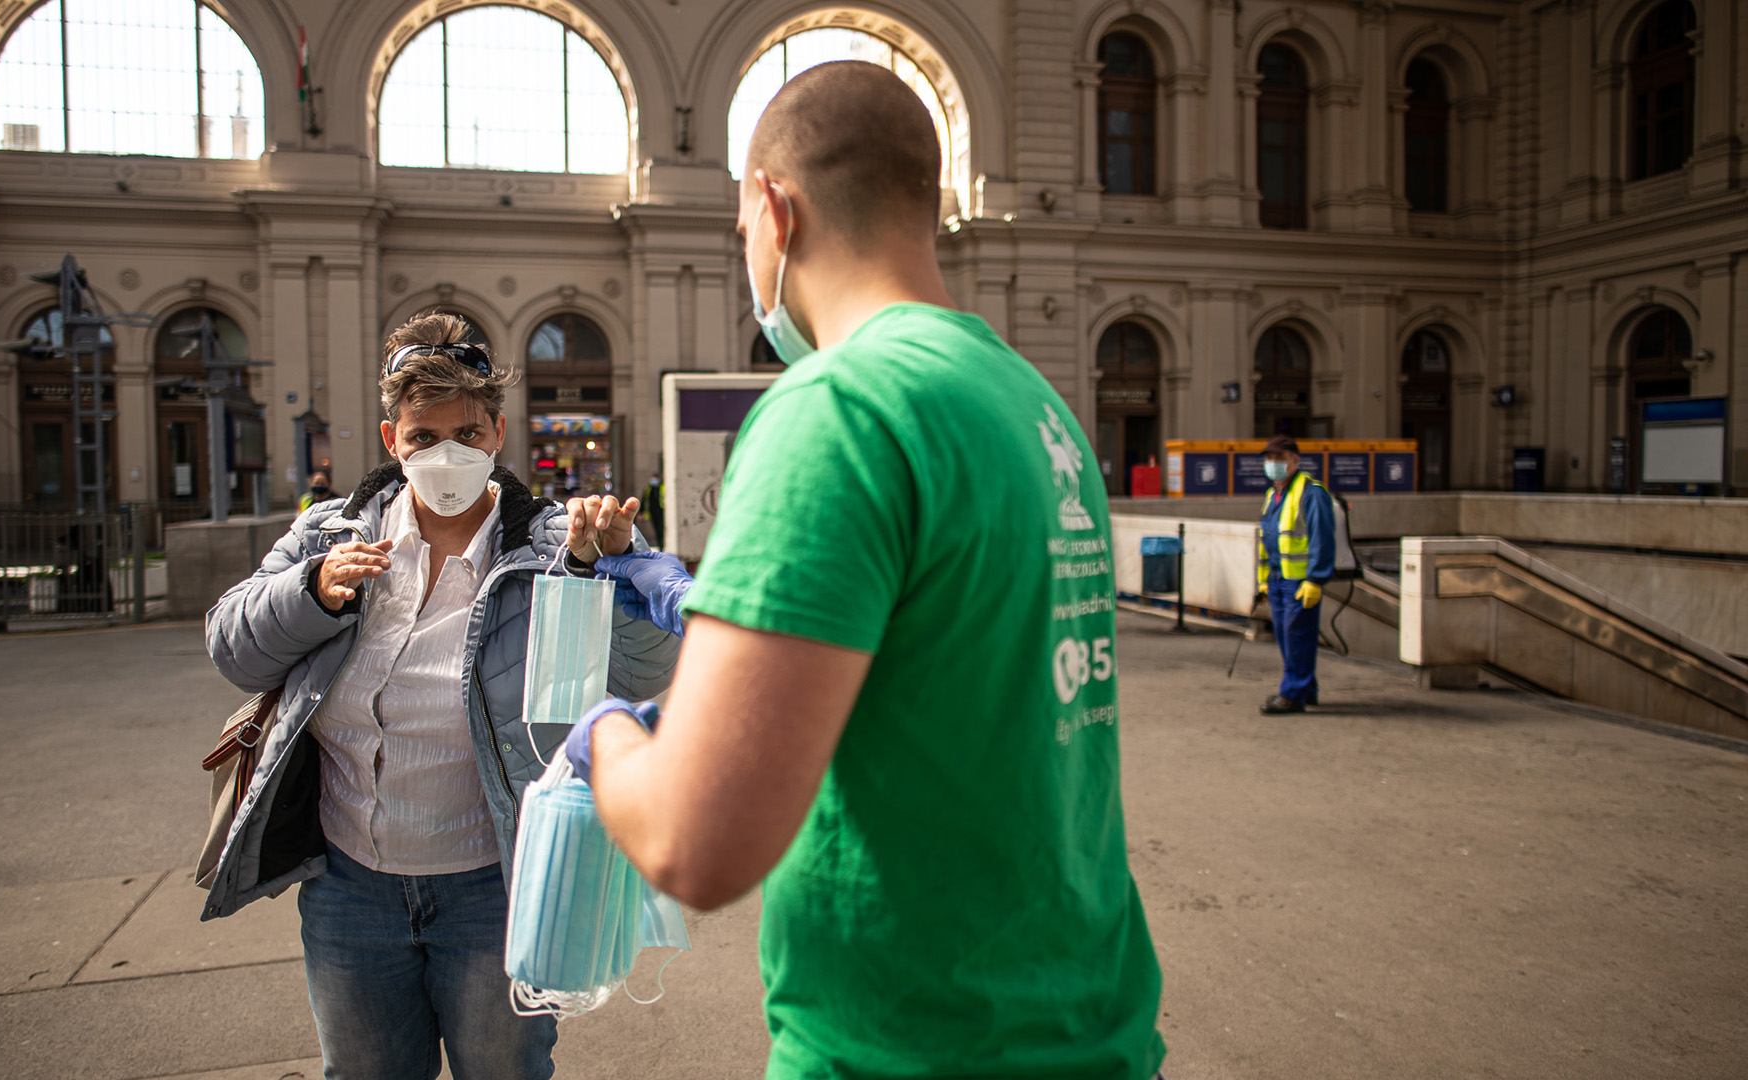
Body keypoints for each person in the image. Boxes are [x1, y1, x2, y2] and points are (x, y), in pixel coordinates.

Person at [559, 61, 1165, 1080]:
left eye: (742, 228)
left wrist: (608, 737)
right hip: (1085, 1029)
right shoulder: (1030, 401)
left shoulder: (834, 409)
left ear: (771, 207)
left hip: (910, 1048)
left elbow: (693, 845)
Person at [202, 313, 679, 1080]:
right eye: (424, 436)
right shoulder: (331, 535)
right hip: (351, 891)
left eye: (466, 432)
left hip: (491, 888)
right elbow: (231, 643)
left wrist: (624, 564)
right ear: (393, 441)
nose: (446, 453)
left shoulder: (554, 546)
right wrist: (311, 593)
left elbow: (648, 670)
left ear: (496, 435)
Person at [1253, 434, 1336, 714]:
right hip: (1277, 579)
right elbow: (1267, 541)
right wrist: (1263, 581)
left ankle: (1291, 694)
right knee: (1285, 635)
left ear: (1294, 461)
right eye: (1269, 459)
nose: (1273, 464)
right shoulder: (1272, 495)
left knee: (1296, 636)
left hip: (1300, 581)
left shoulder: (1311, 492)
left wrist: (1315, 579)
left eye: (1279, 459)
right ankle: (1305, 689)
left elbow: (1322, 539)